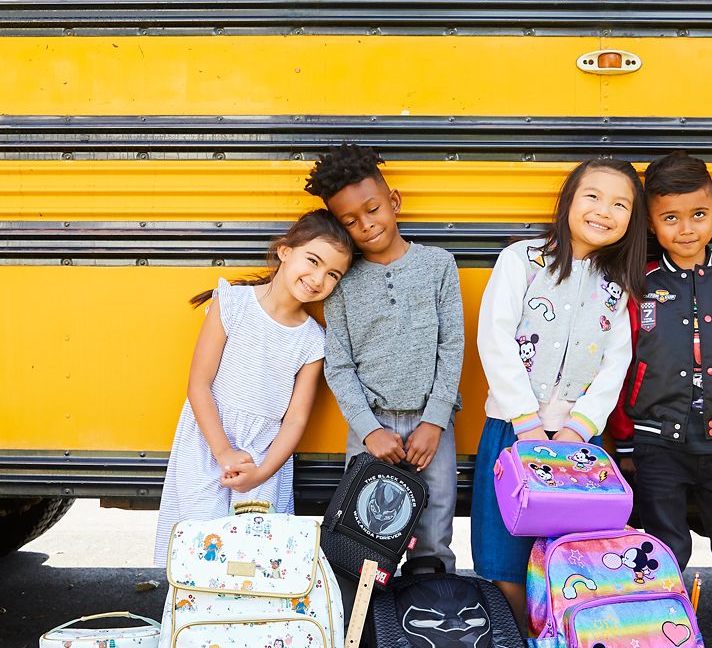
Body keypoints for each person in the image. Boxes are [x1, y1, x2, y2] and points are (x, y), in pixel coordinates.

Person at [472, 158, 648, 622]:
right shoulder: (522, 260)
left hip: (575, 444)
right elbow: (495, 337)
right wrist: (525, 421)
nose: (603, 211)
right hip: (513, 432)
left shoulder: (617, 285)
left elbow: (616, 361)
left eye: (619, 204)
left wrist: (581, 428)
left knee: (566, 554)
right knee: (503, 550)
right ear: (568, 200)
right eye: (592, 196)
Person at [609, 150, 712, 617]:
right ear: (651, 223)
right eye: (671, 218)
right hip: (657, 442)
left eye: (698, 215)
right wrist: (623, 439)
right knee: (665, 546)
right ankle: (662, 629)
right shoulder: (640, 283)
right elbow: (621, 362)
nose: (686, 229)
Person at [153, 210, 352, 564]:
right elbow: (199, 385)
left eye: (333, 273)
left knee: (252, 563)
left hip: (264, 457)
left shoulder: (312, 340)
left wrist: (261, 471)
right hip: (208, 446)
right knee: (197, 557)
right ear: (284, 250)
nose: (319, 277)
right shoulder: (232, 303)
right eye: (313, 260)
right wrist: (223, 452)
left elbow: (294, 421)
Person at [305, 143, 464, 572]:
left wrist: (434, 420)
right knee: (366, 540)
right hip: (370, 431)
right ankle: (370, 632)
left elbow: (452, 346)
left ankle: (429, 620)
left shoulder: (438, 265)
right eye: (350, 221)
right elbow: (338, 365)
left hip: (433, 425)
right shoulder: (343, 281)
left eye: (373, 209)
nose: (366, 225)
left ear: (393, 202)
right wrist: (369, 430)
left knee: (434, 535)